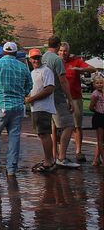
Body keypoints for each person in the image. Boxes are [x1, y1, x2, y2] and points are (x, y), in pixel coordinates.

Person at [0, 42, 32, 178]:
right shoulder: (23, 67)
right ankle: (11, 169)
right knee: (14, 137)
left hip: (1, 105)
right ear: (15, 53)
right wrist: (21, 95)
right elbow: (29, 86)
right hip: (18, 107)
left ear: (3, 52)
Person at [42, 36, 79, 168]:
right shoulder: (56, 59)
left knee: (52, 128)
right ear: (58, 46)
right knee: (69, 125)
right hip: (56, 97)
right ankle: (61, 157)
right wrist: (70, 99)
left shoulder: (43, 57)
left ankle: (53, 156)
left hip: (44, 97)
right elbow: (63, 81)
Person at [59, 42, 96, 162]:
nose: (63, 53)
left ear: (68, 51)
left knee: (77, 125)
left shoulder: (75, 61)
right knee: (58, 126)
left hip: (75, 97)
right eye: (60, 50)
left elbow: (92, 69)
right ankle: (58, 152)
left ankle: (78, 151)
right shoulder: (56, 62)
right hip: (60, 98)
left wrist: (80, 69)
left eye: (65, 51)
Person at [24, 49, 57, 173]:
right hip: (36, 108)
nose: (36, 60)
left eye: (38, 58)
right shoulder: (33, 72)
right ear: (30, 59)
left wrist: (32, 98)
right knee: (41, 134)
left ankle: (49, 161)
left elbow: (49, 89)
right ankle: (48, 159)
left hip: (43, 107)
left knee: (44, 134)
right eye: (34, 58)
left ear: (41, 58)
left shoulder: (46, 71)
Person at [89, 75, 104, 166]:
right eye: (97, 83)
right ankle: (101, 158)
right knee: (100, 140)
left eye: (101, 83)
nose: (99, 85)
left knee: (102, 140)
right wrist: (98, 111)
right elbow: (91, 107)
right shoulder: (95, 94)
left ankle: (96, 159)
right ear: (94, 85)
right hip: (99, 116)